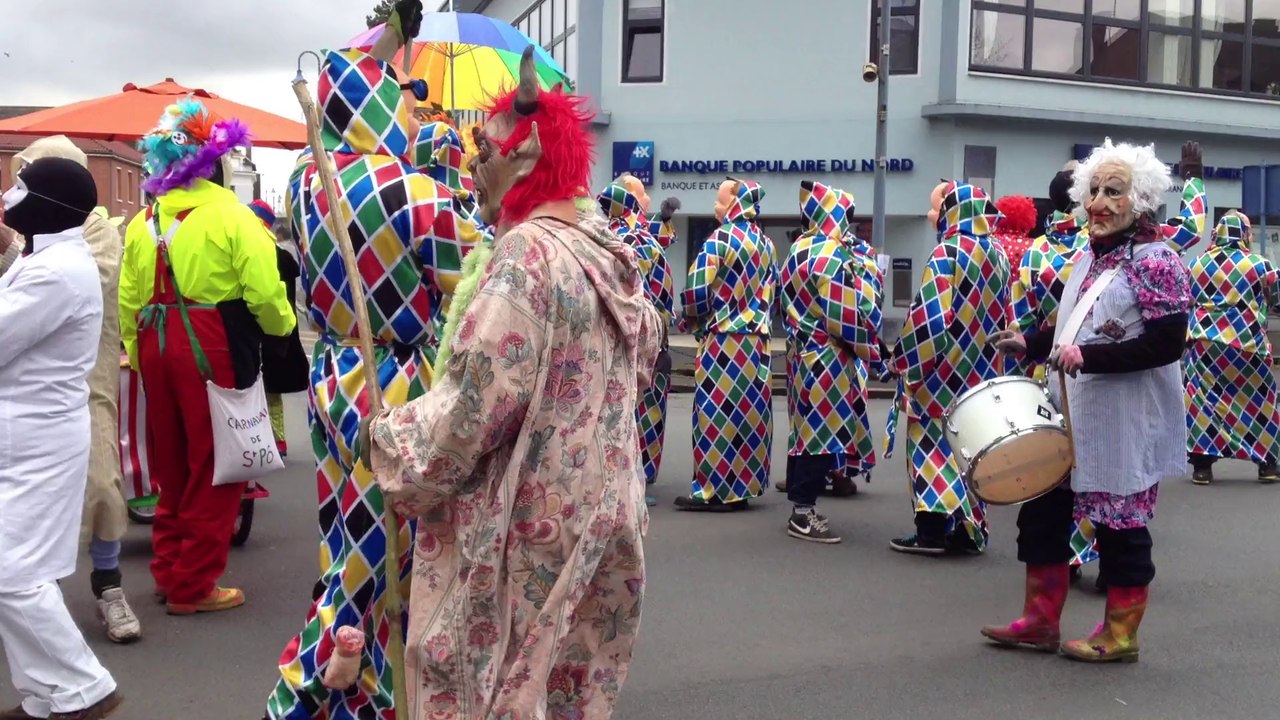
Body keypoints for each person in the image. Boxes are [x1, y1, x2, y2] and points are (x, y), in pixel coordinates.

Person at [359, 45, 661, 718]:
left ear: (525, 156)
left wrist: (389, 440)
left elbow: (477, 405)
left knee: (492, 685)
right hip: (604, 514)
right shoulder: (606, 253)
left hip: (531, 523)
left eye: (486, 151)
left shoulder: (528, 253)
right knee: (566, 688)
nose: (473, 163)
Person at [265, 3, 486, 717]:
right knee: (378, 550)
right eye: (396, 97)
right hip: (394, 385)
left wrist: (386, 34)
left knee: (347, 538)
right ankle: (304, 690)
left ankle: (373, 690)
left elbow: (336, 97)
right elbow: (482, 275)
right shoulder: (414, 193)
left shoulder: (307, 180)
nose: (406, 108)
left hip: (331, 377)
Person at [987, 138, 1191, 663]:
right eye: (1093, 190)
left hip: (1121, 419)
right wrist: (1031, 343)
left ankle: (1121, 634)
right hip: (1071, 411)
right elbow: (1070, 324)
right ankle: (1040, 621)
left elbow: (1167, 342)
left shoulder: (1157, 261)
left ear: (1140, 199)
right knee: (1043, 513)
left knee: (1119, 527)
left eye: (1113, 191)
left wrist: (1091, 358)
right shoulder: (1092, 258)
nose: (1098, 202)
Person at [119, 100, 297, 616]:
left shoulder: (142, 220)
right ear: (214, 163)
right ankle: (193, 585)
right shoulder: (233, 218)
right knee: (221, 463)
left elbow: (130, 301)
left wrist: (138, 350)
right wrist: (282, 330)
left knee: (171, 464)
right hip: (210, 342)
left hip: (154, 343)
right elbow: (265, 293)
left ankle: (170, 569)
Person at [0, 156, 124, 720]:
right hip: (31, 433)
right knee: (22, 570)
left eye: (20, 188)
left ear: (46, 204)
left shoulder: (56, 271)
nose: (8, 197)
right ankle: (46, 697)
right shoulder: (46, 258)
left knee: (13, 572)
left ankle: (83, 688)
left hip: (36, 438)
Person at [9, 136, 141, 644]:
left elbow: (93, 277)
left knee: (103, 484)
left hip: (88, 385)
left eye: (28, 179)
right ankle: (38, 606)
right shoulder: (30, 238)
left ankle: (108, 586)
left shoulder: (97, 233)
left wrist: (14, 247)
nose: (16, 190)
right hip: (26, 392)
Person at [887, 181, 1009, 555]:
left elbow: (928, 320)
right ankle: (967, 530)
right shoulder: (998, 253)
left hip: (941, 373)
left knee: (930, 451)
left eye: (937, 208)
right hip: (982, 371)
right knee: (969, 451)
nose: (932, 216)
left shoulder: (947, 253)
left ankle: (931, 531)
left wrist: (905, 362)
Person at [780, 181, 884, 543]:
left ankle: (799, 500)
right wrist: (874, 354)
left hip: (801, 350)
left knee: (804, 427)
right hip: (828, 354)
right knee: (820, 433)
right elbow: (844, 318)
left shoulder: (799, 247)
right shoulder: (831, 255)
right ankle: (803, 512)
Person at [677, 178, 778, 511]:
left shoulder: (718, 241)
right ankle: (742, 486)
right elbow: (772, 292)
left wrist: (690, 321)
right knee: (750, 415)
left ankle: (713, 489)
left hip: (722, 341)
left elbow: (696, 293)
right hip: (757, 343)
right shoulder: (766, 244)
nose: (715, 208)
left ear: (733, 206)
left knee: (716, 415)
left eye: (719, 202)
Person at [598, 174, 678, 506]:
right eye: (643, 196)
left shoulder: (606, 234)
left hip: (615, 338)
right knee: (643, 409)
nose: (648, 202)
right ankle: (635, 478)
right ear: (630, 199)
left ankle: (618, 476)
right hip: (644, 338)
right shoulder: (636, 238)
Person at [1185, 211, 1280, 484]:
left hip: (1205, 345)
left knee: (1203, 403)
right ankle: (1267, 464)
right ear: (1244, 234)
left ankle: (1202, 467)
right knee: (1260, 402)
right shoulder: (1259, 265)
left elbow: (1185, 297)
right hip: (1248, 345)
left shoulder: (1196, 264)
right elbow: (1276, 298)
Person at [248, 199, 308, 458]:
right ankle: (278, 438)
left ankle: (260, 438)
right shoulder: (284, 256)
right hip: (282, 332)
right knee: (272, 391)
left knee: (255, 390)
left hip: (260, 330)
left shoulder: (257, 253)